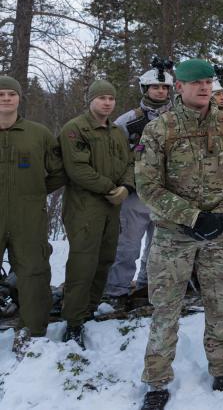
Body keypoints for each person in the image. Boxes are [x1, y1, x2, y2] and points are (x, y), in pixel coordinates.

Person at [135, 59, 223, 409]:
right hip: (174, 237)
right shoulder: (160, 130)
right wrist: (192, 217)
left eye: (208, 82)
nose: (204, 88)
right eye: (196, 83)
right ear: (179, 87)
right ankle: (157, 381)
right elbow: (147, 185)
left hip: (219, 235)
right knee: (166, 310)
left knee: (220, 306)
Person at [59, 79, 135, 349]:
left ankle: (90, 308)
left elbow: (129, 162)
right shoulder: (75, 129)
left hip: (112, 206)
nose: (107, 102)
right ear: (91, 100)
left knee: (105, 258)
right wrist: (110, 188)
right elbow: (77, 169)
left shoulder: (116, 132)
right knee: (83, 263)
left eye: (111, 98)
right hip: (85, 207)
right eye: (101, 98)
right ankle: (73, 321)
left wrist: (127, 186)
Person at [0, 76, 66, 350]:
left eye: (11, 94)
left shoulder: (38, 134)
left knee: (33, 271)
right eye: (1, 94)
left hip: (28, 213)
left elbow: (59, 171)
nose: (6, 99)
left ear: (19, 98)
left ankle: (32, 331)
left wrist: (37, 191)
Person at [104, 67, 174, 310]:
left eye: (165, 87)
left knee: (159, 247)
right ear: (145, 88)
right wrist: (124, 185)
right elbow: (114, 157)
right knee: (127, 246)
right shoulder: (128, 120)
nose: (160, 91)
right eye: (156, 87)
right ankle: (117, 291)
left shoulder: (178, 117)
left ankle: (147, 287)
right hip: (135, 194)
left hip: (167, 194)